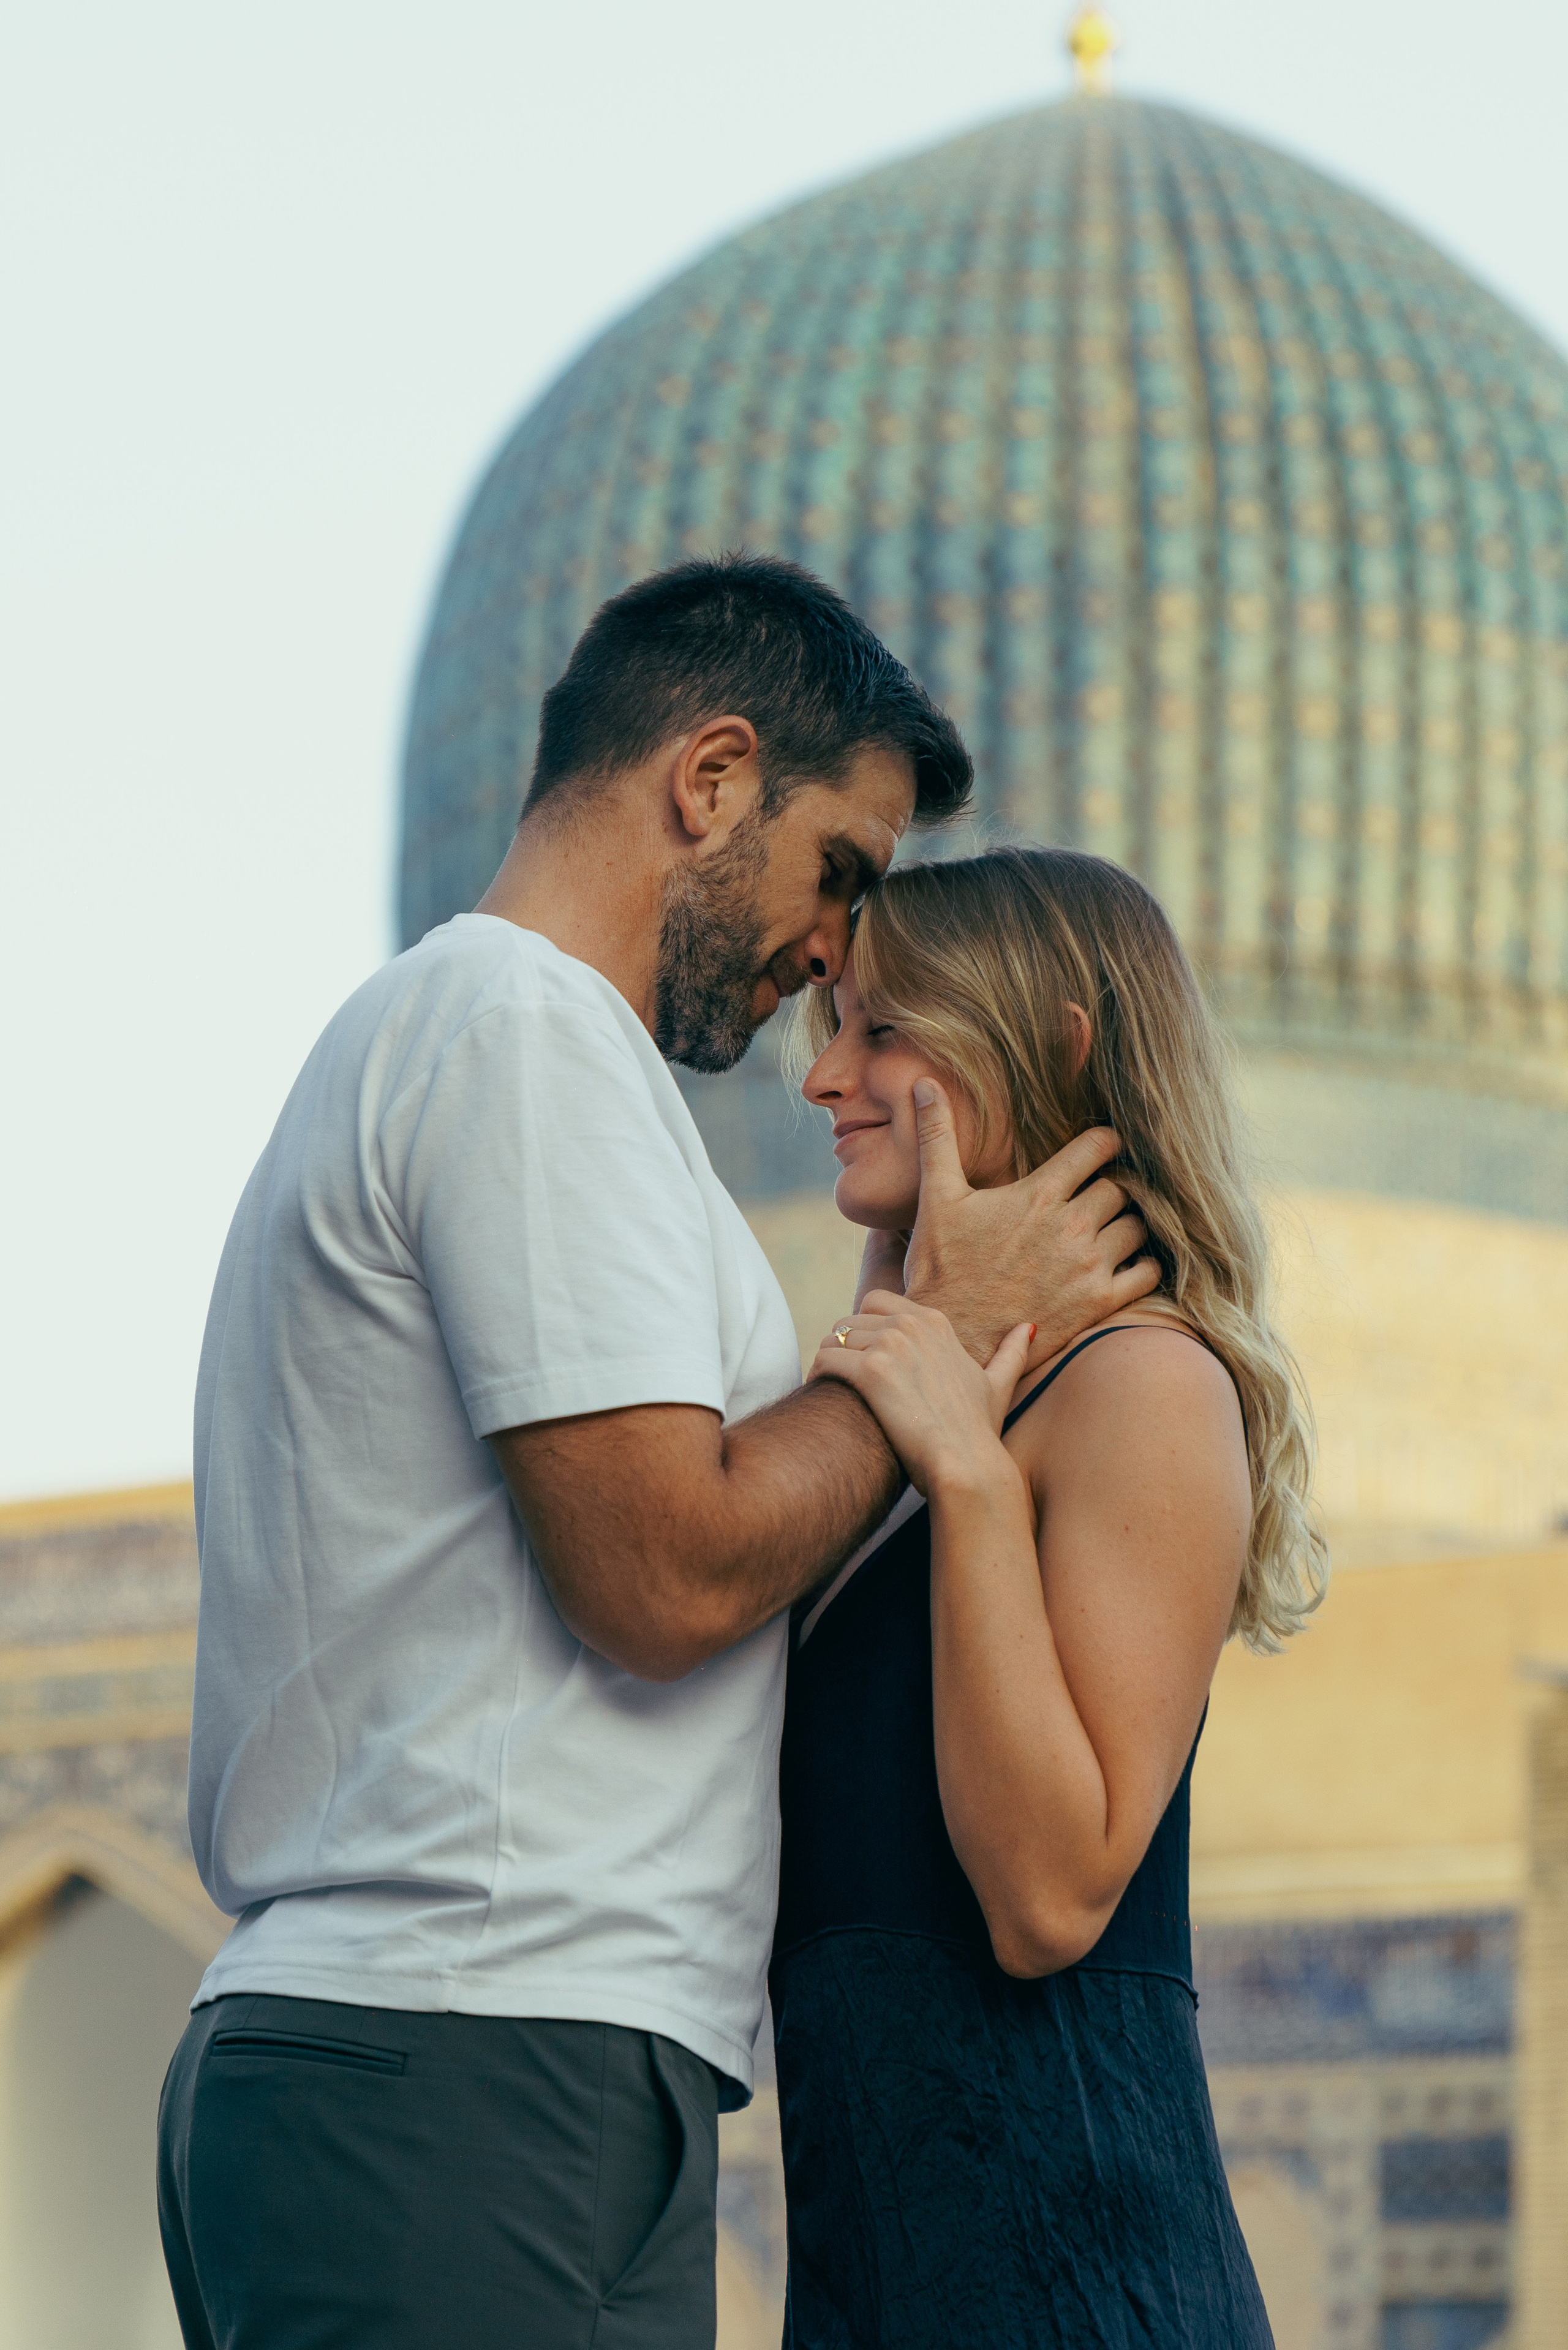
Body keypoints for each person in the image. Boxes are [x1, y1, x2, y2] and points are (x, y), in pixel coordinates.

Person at [156, 557, 1158, 2350]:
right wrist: (935, 1349)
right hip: (460, 2049)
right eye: (837, 868)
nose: (836, 950)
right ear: (710, 779)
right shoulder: (520, 1036)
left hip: (518, 2054)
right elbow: (664, 1570)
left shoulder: (511, 1051)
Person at [772, 845, 1327, 2349]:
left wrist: (965, 1474)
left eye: (886, 1028)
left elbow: (1047, 1894)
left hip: (1074, 2284)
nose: (822, 1076)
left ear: (1057, 1044)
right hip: (879, 2281)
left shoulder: (1140, 1384)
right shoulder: (934, 1414)